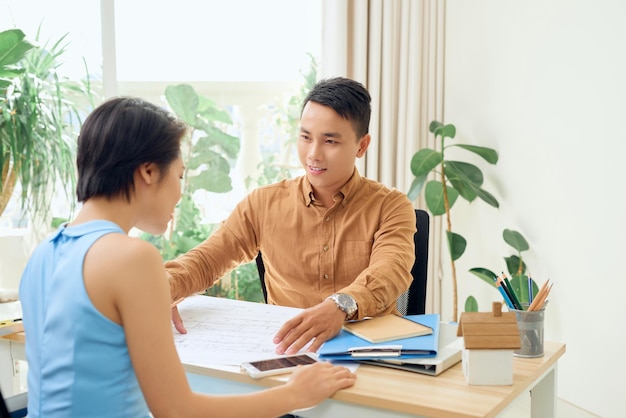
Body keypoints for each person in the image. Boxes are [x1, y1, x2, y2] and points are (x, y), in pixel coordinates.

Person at [18, 97, 356, 418]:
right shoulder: (132, 259)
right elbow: (178, 411)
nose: (180, 193)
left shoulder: (43, 253)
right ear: (149, 172)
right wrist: (294, 394)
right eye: (179, 175)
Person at [167, 77, 416, 355]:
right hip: (290, 351)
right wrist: (161, 289)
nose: (313, 154)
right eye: (305, 137)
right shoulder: (264, 203)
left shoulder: (391, 206)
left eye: (330, 141)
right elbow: (208, 260)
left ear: (361, 146)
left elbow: (391, 270)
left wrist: (340, 306)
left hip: (369, 352)